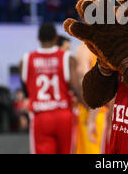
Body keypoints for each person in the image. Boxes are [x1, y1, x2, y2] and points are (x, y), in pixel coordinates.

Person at [20, 23, 83, 154]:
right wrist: (90, 106)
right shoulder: (67, 58)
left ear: (38, 38)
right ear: (56, 38)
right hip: (63, 115)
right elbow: (77, 89)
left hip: (41, 116)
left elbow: (26, 84)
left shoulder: (26, 60)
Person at [74, 43, 109, 154]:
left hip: (94, 111)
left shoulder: (84, 49)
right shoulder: (101, 48)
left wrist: (91, 119)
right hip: (98, 111)